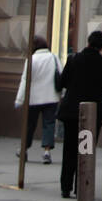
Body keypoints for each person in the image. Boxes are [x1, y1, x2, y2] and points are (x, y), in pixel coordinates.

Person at [57, 31, 102, 199]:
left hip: (71, 112)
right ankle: (81, 186)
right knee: (86, 150)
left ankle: (65, 186)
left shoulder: (73, 59)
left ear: (88, 41)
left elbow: (62, 82)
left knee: (69, 149)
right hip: (91, 114)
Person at [15, 34, 62, 164]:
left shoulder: (31, 59)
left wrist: (19, 100)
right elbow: (61, 75)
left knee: (29, 125)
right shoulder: (53, 57)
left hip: (33, 99)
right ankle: (47, 151)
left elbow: (25, 80)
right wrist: (62, 93)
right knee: (49, 124)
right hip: (51, 97)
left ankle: (24, 149)